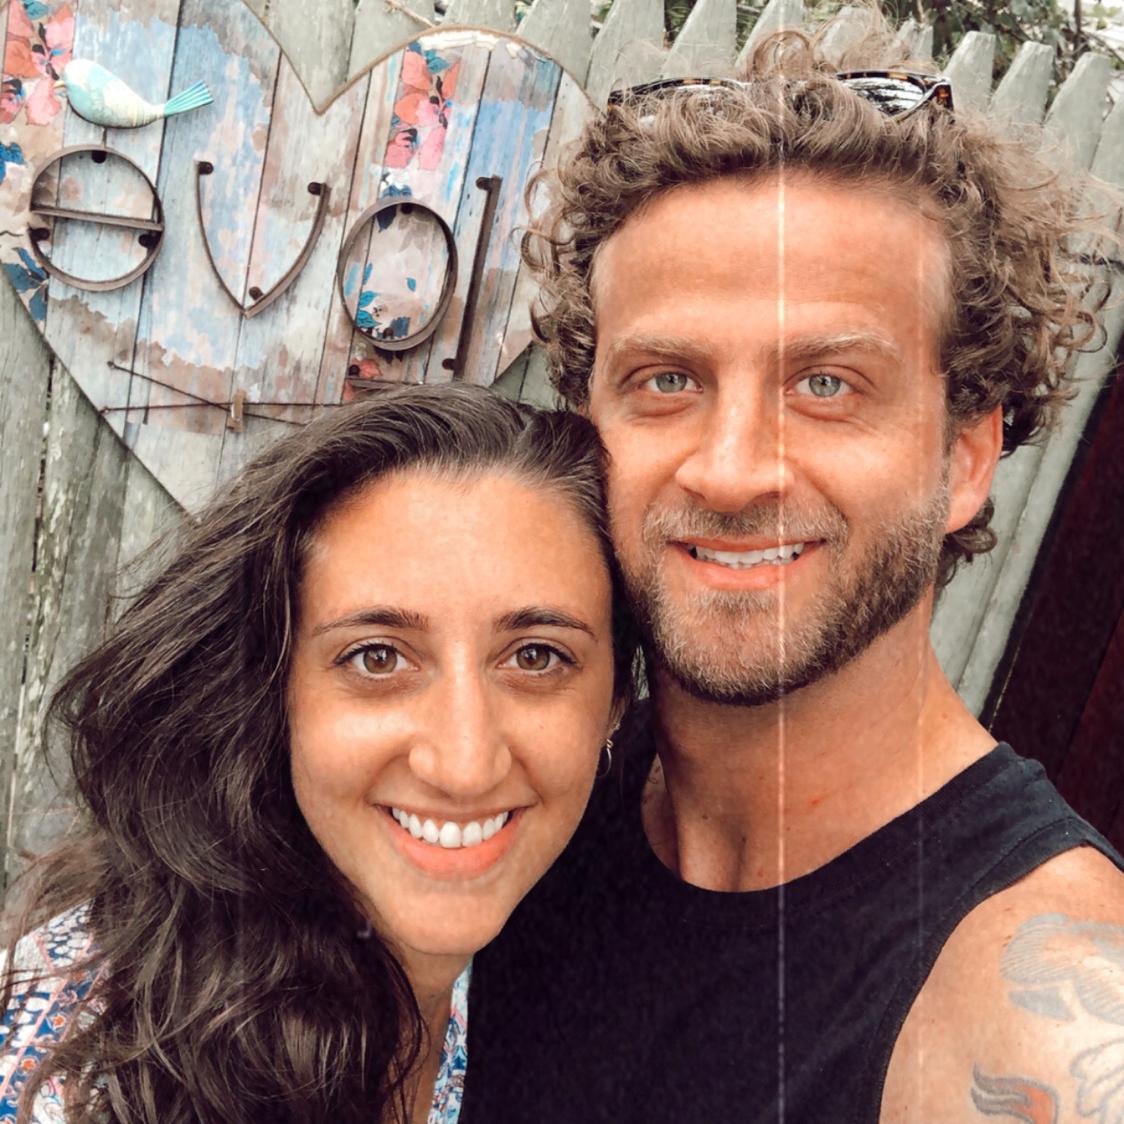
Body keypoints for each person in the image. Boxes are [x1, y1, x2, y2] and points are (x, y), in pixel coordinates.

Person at [459, 19, 1124, 1124]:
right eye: (666, 380)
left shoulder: (1035, 1010)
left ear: (965, 457)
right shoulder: (504, 806)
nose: (728, 472)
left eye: (826, 385)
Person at [0, 382, 632, 1124]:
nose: (465, 764)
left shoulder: (565, 981)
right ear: (273, 691)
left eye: (535, 657)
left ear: (616, 702)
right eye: (377, 658)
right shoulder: (68, 1063)